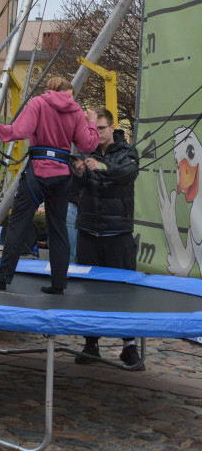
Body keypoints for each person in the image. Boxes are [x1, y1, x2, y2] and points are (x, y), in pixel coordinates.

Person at [0, 77, 99, 294]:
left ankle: (2, 278)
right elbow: (87, 144)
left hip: (37, 173)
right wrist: (92, 122)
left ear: (51, 88)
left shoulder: (39, 103)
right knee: (58, 230)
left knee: (18, 225)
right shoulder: (76, 111)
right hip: (62, 176)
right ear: (68, 91)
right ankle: (59, 284)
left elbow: (17, 132)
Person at [71, 107, 141, 367]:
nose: (97, 133)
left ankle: (129, 346)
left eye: (102, 128)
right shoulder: (84, 150)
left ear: (113, 128)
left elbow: (128, 174)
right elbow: (74, 187)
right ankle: (91, 345)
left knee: (124, 291)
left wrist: (101, 166)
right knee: (88, 291)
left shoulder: (127, 152)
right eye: (95, 128)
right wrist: (77, 171)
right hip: (89, 229)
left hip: (118, 231)